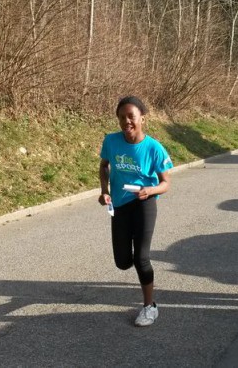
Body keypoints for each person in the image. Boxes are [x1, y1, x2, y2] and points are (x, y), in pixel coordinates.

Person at [98, 96, 173, 326]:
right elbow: (104, 166)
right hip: (120, 205)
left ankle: (150, 307)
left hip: (144, 203)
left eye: (131, 116)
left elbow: (166, 183)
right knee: (122, 261)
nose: (126, 121)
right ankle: (137, 266)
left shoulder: (153, 148)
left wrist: (150, 190)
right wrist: (104, 191)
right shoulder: (111, 141)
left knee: (141, 258)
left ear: (142, 118)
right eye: (122, 117)